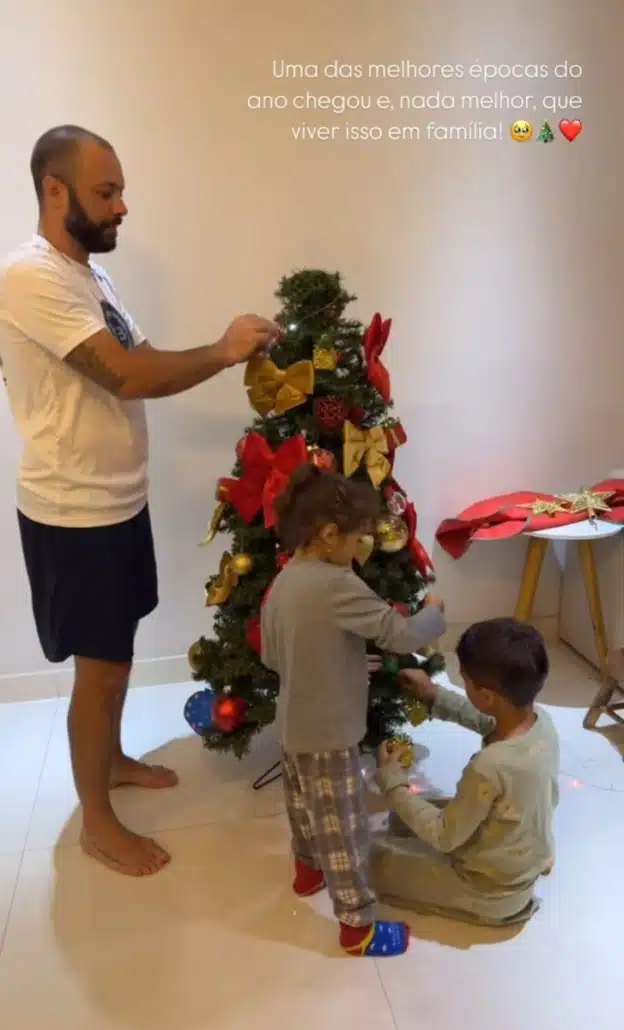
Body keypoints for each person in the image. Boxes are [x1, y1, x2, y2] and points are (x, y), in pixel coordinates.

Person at [0, 125, 281, 877]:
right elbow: (124, 376)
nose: (123, 206)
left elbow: (144, 359)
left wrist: (224, 357)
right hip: (73, 513)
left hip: (118, 502)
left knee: (115, 658)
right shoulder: (31, 276)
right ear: (54, 191)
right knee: (99, 670)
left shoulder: (90, 277)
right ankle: (97, 821)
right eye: (106, 191)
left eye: (120, 189)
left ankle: (114, 760)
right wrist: (223, 349)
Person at [260, 465, 446, 956]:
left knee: (303, 811)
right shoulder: (337, 584)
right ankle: (356, 928)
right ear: (328, 536)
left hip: (293, 731)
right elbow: (401, 634)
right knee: (343, 827)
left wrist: (339, 660)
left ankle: (307, 874)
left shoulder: (284, 583)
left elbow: (275, 656)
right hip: (330, 735)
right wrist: (434, 611)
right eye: (358, 540)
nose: (361, 551)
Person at [371, 617, 560, 925]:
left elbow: (445, 836)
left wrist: (393, 780)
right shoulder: (540, 722)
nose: (463, 685)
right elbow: (487, 720)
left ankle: (485, 900)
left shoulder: (490, 766)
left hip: (490, 890)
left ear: (486, 696)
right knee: (400, 821)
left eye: (465, 681)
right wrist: (433, 693)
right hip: (523, 852)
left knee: (377, 860)